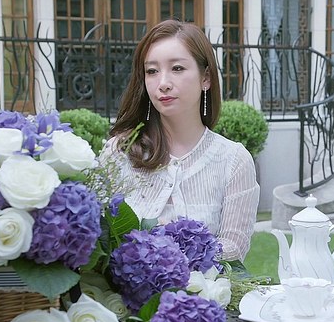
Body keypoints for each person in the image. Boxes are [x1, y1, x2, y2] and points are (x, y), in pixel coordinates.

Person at [102, 19, 260, 262]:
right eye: (152, 71)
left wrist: (177, 257)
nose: (163, 83)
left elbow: (234, 249)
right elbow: (99, 239)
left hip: (205, 288)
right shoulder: (119, 152)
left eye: (177, 68)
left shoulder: (234, 161)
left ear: (206, 78)